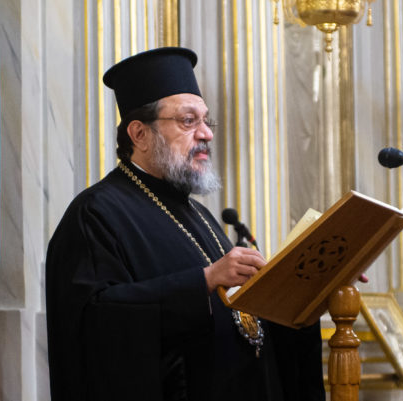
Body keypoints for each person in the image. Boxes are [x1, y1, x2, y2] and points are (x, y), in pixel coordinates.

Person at [46, 47, 326, 401]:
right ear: (139, 134)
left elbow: (247, 325)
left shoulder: (199, 216)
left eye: (206, 121)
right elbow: (95, 325)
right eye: (188, 121)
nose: (206, 134)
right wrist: (203, 281)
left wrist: (312, 287)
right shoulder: (96, 214)